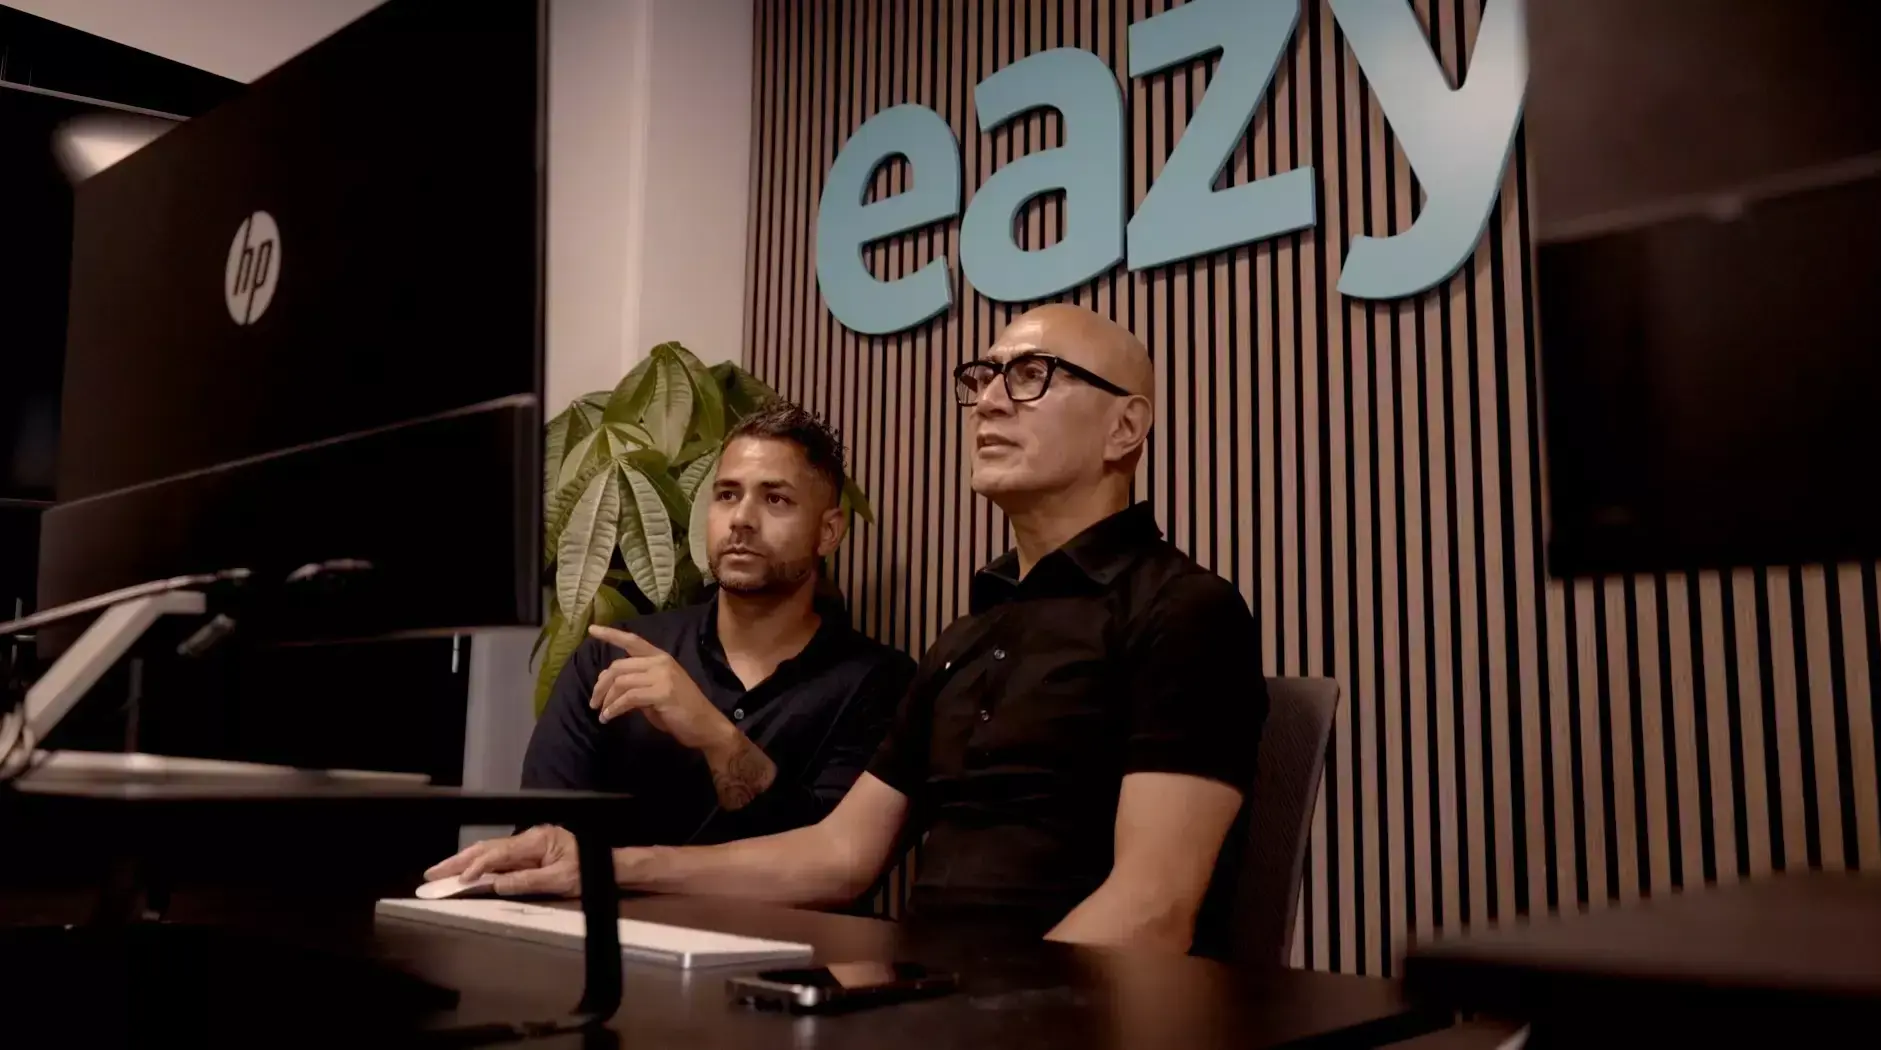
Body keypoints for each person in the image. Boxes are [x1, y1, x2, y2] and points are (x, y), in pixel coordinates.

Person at [432, 305, 1269, 953]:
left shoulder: (1182, 610)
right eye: (981, 378)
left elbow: (1153, 906)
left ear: (1126, 427)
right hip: (927, 1001)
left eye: (1031, 376)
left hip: (1054, 1018)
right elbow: (838, 857)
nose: (986, 400)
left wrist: (982, 1020)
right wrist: (600, 867)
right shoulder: (965, 638)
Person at [512, 402, 914, 857]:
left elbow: (825, 863)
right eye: (726, 495)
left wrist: (714, 733)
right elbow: (543, 841)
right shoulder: (613, 657)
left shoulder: (878, 686)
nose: (741, 518)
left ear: (828, 532)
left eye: (775, 499)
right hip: (601, 907)